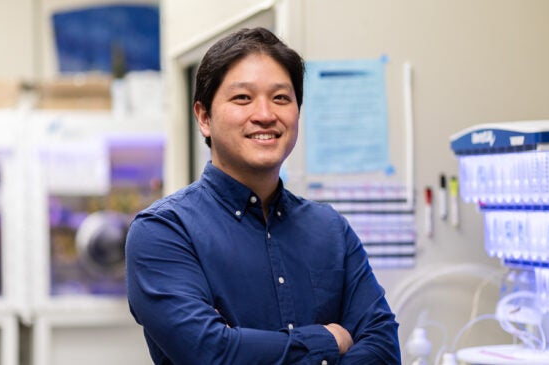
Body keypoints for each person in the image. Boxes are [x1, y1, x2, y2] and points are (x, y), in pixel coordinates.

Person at [126, 27, 401, 364]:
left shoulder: (330, 229)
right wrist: (329, 339)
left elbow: (383, 347)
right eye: (243, 98)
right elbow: (212, 353)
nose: (265, 114)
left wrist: (246, 345)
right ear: (204, 117)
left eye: (281, 98)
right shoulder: (164, 231)